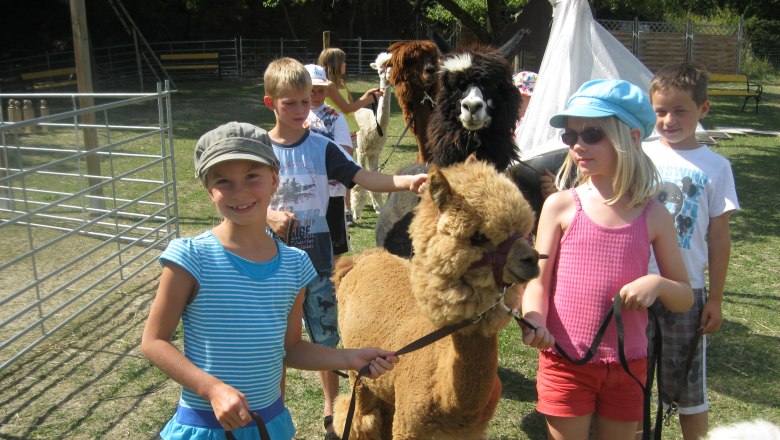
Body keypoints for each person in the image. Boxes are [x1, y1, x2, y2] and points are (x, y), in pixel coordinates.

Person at [140, 121, 399, 440]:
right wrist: (212, 389)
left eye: (252, 176)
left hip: (269, 424)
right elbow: (153, 342)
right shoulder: (191, 258)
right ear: (209, 189)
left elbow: (290, 348)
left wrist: (349, 357)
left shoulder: (295, 265)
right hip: (206, 426)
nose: (240, 192)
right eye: (224, 181)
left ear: (274, 179)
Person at [518, 79, 693, 440]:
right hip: (565, 359)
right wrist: (533, 318)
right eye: (571, 136)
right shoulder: (560, 205)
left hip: (631, 365)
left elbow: (684, 296)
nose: (578, 145)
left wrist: (656, 283)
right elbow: (538, 280)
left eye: (592, 133)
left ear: (629, 137)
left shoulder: (654, 215)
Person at [261, 57, 426, 440]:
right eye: (291, 103)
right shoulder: (258, 149)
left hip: (317, 262)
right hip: (269, 264)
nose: (301, 110)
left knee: (326, 339)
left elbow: (361, 176)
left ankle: (330, 404)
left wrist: (405, 182)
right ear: (271, 103)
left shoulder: (321, 146)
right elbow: (240, 197)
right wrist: (269, 215)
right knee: (274, 343)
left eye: (306, 102)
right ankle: (274, 409)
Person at [643, 62, 740, 440]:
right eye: (660, 112)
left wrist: (715, 298)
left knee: (687, 392)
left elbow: (718, 237)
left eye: (680, 110)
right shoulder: (640, 155)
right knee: (630, 384)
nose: (668, 120)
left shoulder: (717, 167)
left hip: (688, 294)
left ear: (703, 109)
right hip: (636, 286)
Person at [317, 47, 382, 226]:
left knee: (346, 170)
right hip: (333, 131)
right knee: (336, 170)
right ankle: (337, 208)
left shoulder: (341, 83)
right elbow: (346, 108)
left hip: (348, 130)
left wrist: (367, 95)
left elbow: (351, 104)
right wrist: (368, 100)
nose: (346, 64)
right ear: (335, 64)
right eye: (343, 61)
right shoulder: (328, 86)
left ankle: (346, 210)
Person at [303, 63, 354, 259]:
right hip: (306, 193)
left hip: (332, 191)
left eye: (321, 90)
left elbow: (346, 151)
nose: (316, 95)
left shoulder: (335, 117)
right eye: (311, 90)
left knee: (335, 245)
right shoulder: (296, 114)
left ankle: (334, 282)